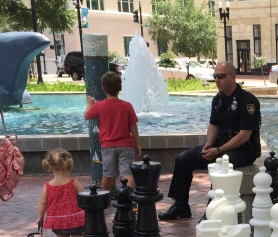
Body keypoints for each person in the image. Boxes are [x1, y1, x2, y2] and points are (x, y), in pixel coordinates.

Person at [159, 62, 261, 220]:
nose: (217, 80)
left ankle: (211, 212)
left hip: (244, 150)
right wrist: (209, 144)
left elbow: (244, 136)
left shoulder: (248, 101)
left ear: (233, 77)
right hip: (221, 146)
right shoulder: (218, 99)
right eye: (215, 77)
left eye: (221, 76)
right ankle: (181, 206)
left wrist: (219, 151)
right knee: (183, 159)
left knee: (220, 165)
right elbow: (213, 125)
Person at [84, 72, 141, 192]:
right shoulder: (127, 106)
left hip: (107, 145)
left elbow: (87, 116)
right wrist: (137, 144)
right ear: (120, 88)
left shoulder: (99, 106)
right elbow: (133, 126)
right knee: (127, 173)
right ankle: (128, 198)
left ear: (103, 88)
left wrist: (89, 104)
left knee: (108, 174)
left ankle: (106, 197)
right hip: (126, 144)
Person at [37, 149, 86, 237]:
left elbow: (43, 202)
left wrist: (40, 217)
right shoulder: (74, 183)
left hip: (57, 220)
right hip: (76, 218)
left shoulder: (48, 185)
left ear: (49, 166)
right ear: (69, 165)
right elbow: (85, 198)